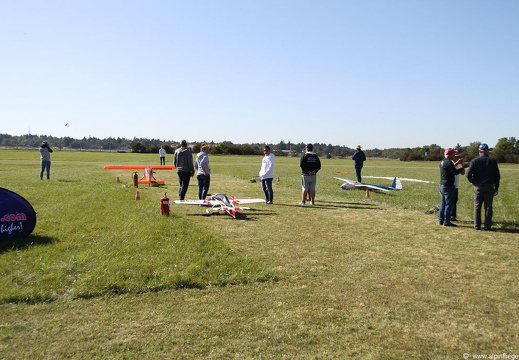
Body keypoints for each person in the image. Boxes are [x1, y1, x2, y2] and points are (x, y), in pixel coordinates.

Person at [466, 143, 501, 231]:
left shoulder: (475, 161)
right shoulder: (492, 161)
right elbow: (497, 176)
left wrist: (473, 182)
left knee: (477, 206)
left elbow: (468, 174)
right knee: (488, 207)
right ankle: (487, 226)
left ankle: (477, 225)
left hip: (478, 186)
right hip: (489, 186)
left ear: (479, 151)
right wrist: (496, 188)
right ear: (488, 151)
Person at [438, 148, 467, 227]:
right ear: (450, 154)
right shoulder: (449, 162)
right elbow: (455, 172)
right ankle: (447, 221)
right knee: (448, 204)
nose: (454, 156)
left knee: (443, 203)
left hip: (442, 185)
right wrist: (463, 166)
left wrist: (457, 163)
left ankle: (441, 219)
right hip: (448, 186)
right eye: (453, 154)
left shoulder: (442, 161)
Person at [451, 150, 465, 221]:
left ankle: (453, 216)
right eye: (456, 157)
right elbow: (450, 168)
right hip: (450, 185)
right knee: (451, 201)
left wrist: (462, 164)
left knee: (455, 201)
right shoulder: (451, 163)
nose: (458, 158)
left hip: (456, 186)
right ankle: (449, 216)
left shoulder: (457, 165)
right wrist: (457, 163)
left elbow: (463, 173)